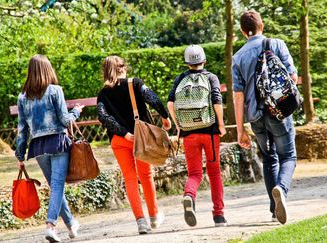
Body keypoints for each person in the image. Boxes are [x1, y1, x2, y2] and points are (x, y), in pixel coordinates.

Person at [232, 10, 298, 225]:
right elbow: (293, 77)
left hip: (255, 117)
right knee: (288, 156)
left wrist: (241, 129)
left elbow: (238, 96)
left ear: (243, 32)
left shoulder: (238, 57)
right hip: (277, 112)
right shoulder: (277, 44)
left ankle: (273, 209)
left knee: (269, 158)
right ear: (263, 25)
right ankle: (282, 189)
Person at [97, 55, 171, 234]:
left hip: (119, 141)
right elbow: (152, 98)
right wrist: (165, 116)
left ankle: (141, 222)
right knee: (146, 176)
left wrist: (124, 134)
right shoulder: (135, 83)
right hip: (142, 139)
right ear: (123, 68)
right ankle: (154, 217)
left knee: (130, 179)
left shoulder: (103, 94)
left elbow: (103, 116)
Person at [15, 54, 84, 242]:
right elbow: (64, 120)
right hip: (58, 143)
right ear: (48, 69)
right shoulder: (55, 90)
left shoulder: (22, 97)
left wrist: (20, 156)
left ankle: (70, 224)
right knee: (57, 187)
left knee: (56, 187)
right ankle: (50, 226)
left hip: (37, 147)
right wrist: (76, 111)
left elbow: (22, 130)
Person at [167, 45, 227, 227]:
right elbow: (217, 101)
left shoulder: (180, 79)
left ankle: (189, 196)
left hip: (189, 133)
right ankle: (218, 215)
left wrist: (178, 126)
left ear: (187, 63)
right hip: (209, 132)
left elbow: (170, 103)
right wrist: (221, 125)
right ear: (204, 61)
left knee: (194, 173)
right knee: (214, 172)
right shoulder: (211, 77)